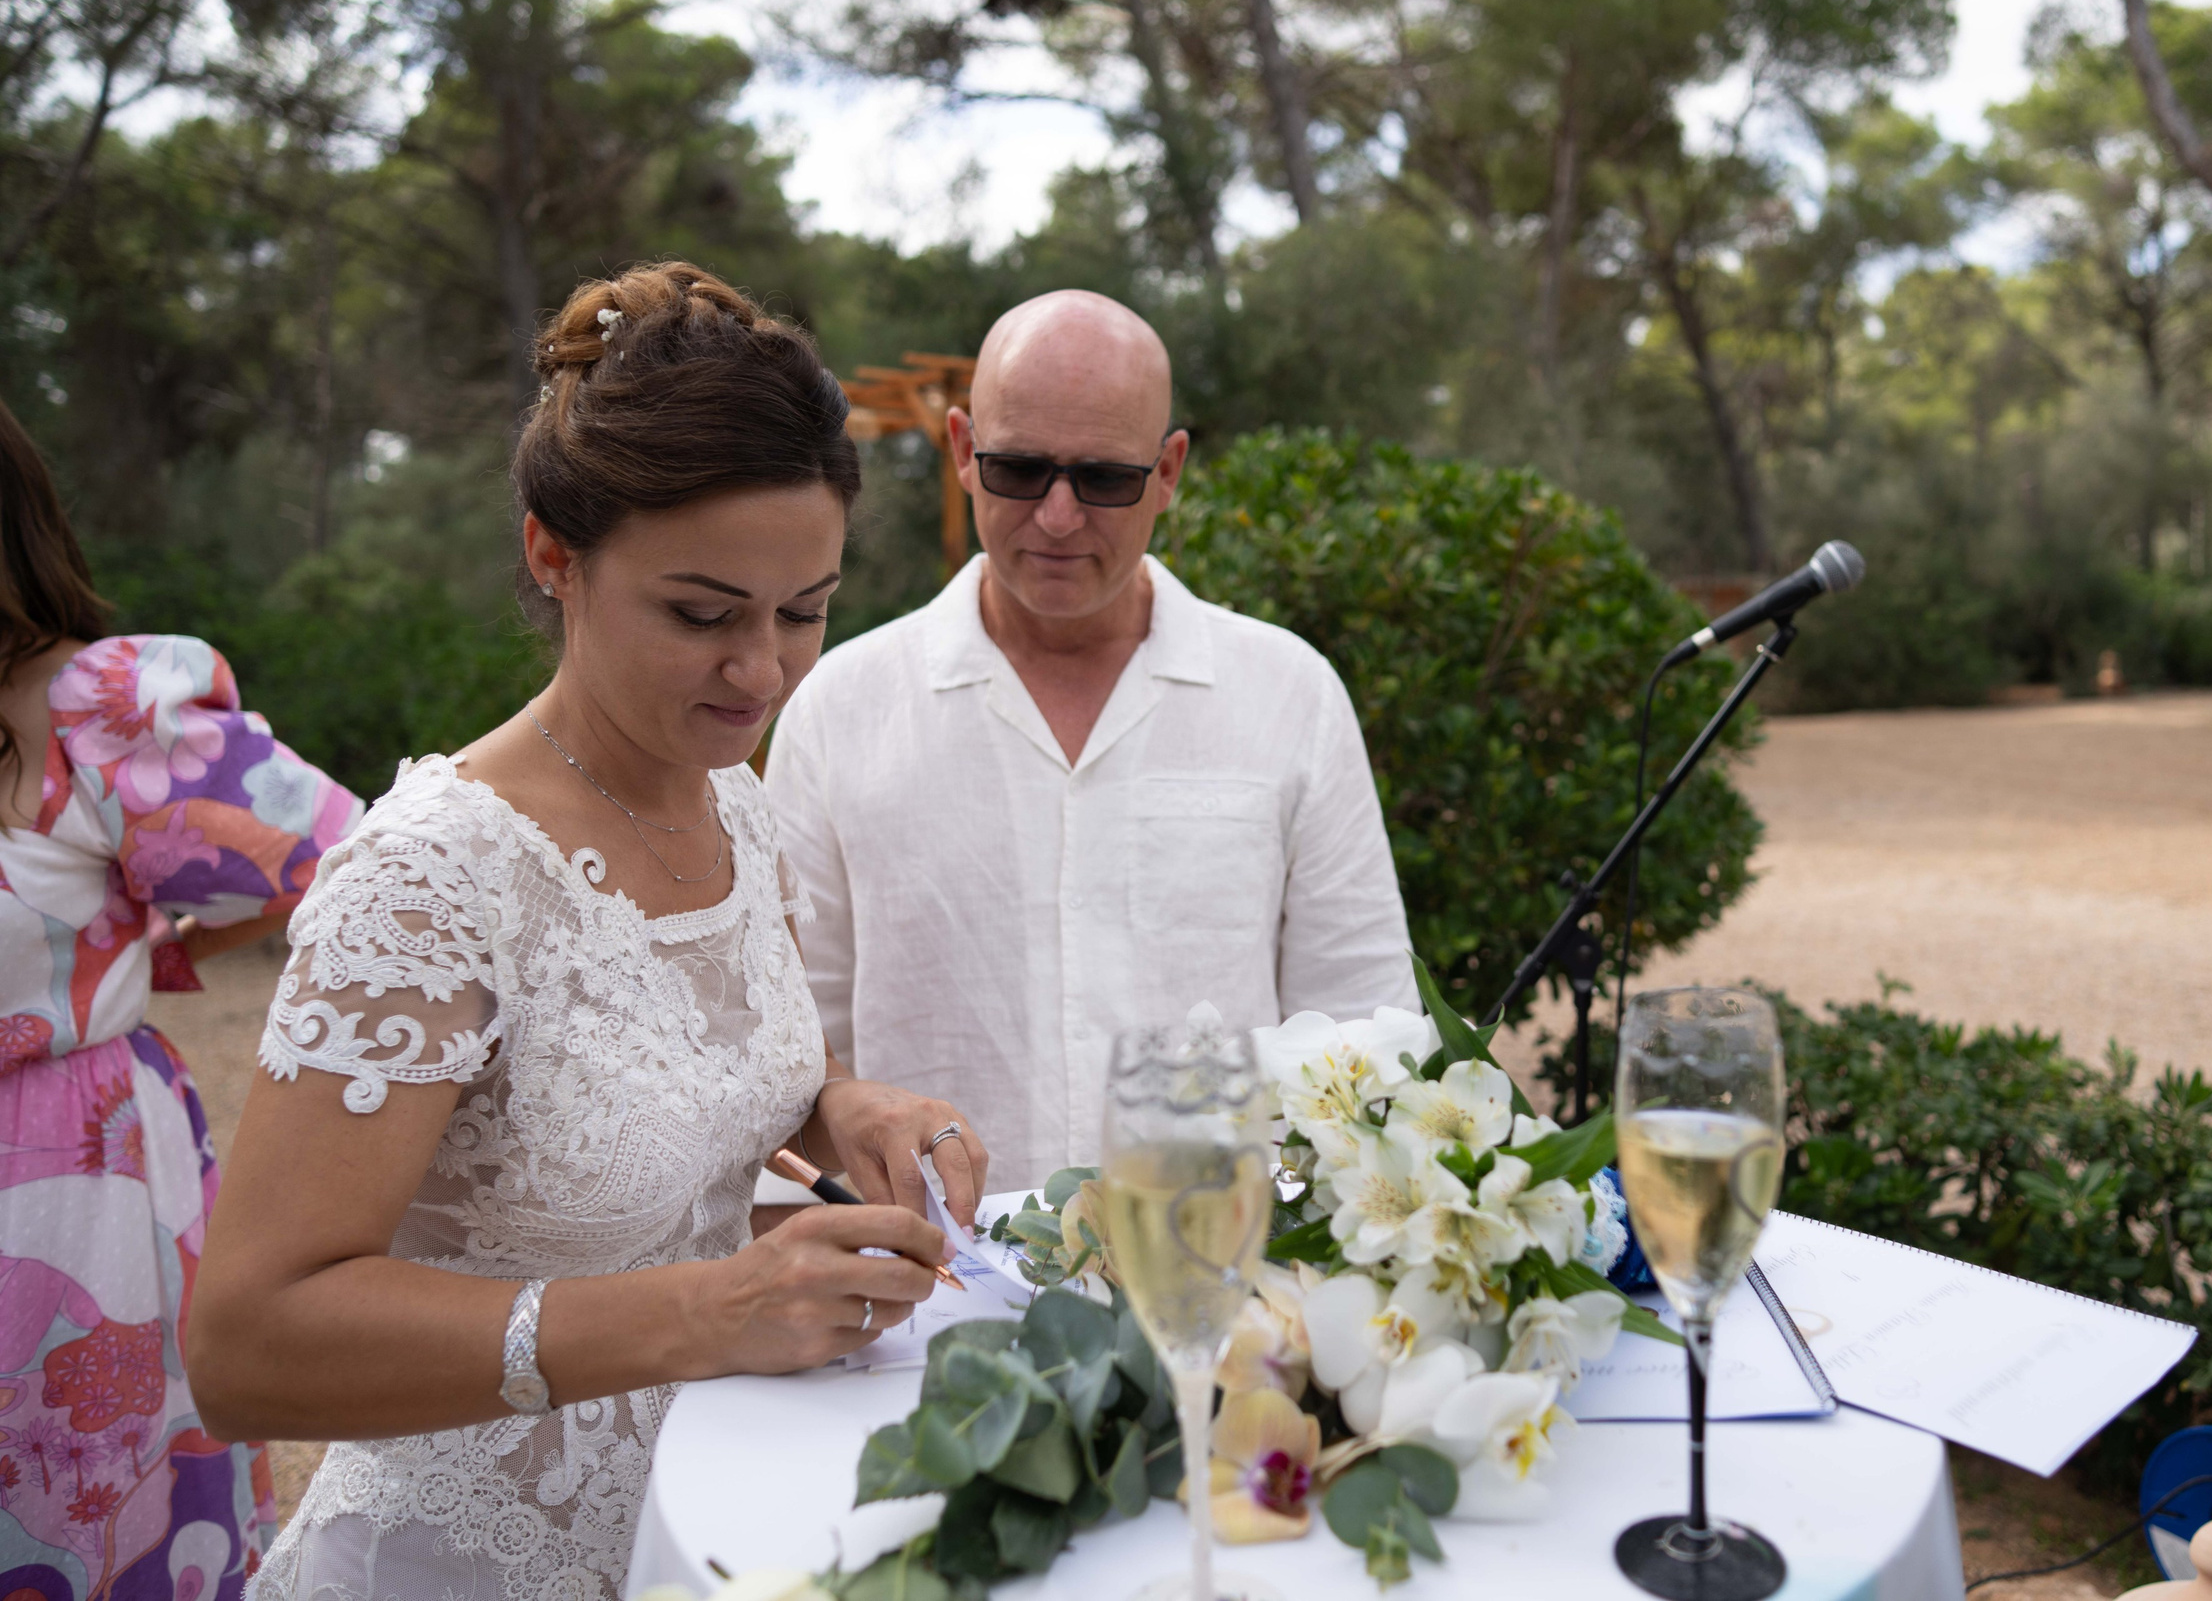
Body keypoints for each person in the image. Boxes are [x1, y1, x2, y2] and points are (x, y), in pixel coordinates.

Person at [186, 263, 990, 1601]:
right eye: (701, 614)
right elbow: (245, 1347)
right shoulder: (432, 878)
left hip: (704, 1535)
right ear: (553, 555)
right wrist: (707, 1310)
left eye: (805, 610)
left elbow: (669, 1061)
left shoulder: (737, 807)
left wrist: (839, 1104)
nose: (764, 669)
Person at [765, 290, 1415, 1192]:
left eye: (1105, 479)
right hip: (935, 1271)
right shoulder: (839, 710)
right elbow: (790, 1049)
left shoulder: (1289, 695)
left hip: (1219, 1261)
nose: (1060, 515)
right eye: (1020, 470)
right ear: (963, 451)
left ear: (1168, 471)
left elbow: (1366, 1030)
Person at [0, 394, 364, 1596]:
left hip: (66, 1189)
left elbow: (338, 856)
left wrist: (154, 948)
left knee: (84, 1507)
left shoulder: (94, 713)